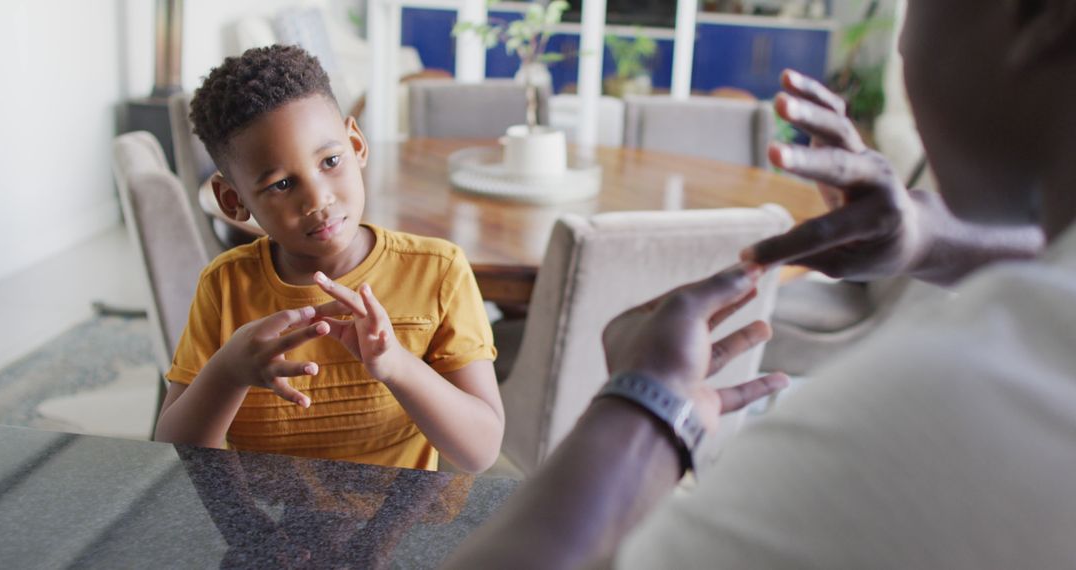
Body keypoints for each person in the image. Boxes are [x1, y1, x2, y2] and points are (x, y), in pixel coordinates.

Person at [446, 0, 1076, 566]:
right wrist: (931, 236)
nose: (903, 43)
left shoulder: (950, 408)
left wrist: (645, 403)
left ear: (1040, 15)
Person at [153, 45, 503, 473]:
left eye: (330, 161)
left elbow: (480, 452)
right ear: (233, 199)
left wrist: (396, 365)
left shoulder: (438, 271)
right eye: (281, 184)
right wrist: (227, 372)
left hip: (395, 529)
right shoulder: (225, 286)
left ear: (356, 144)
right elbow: (174, 457)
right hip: (262, 528)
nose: (318, 199)